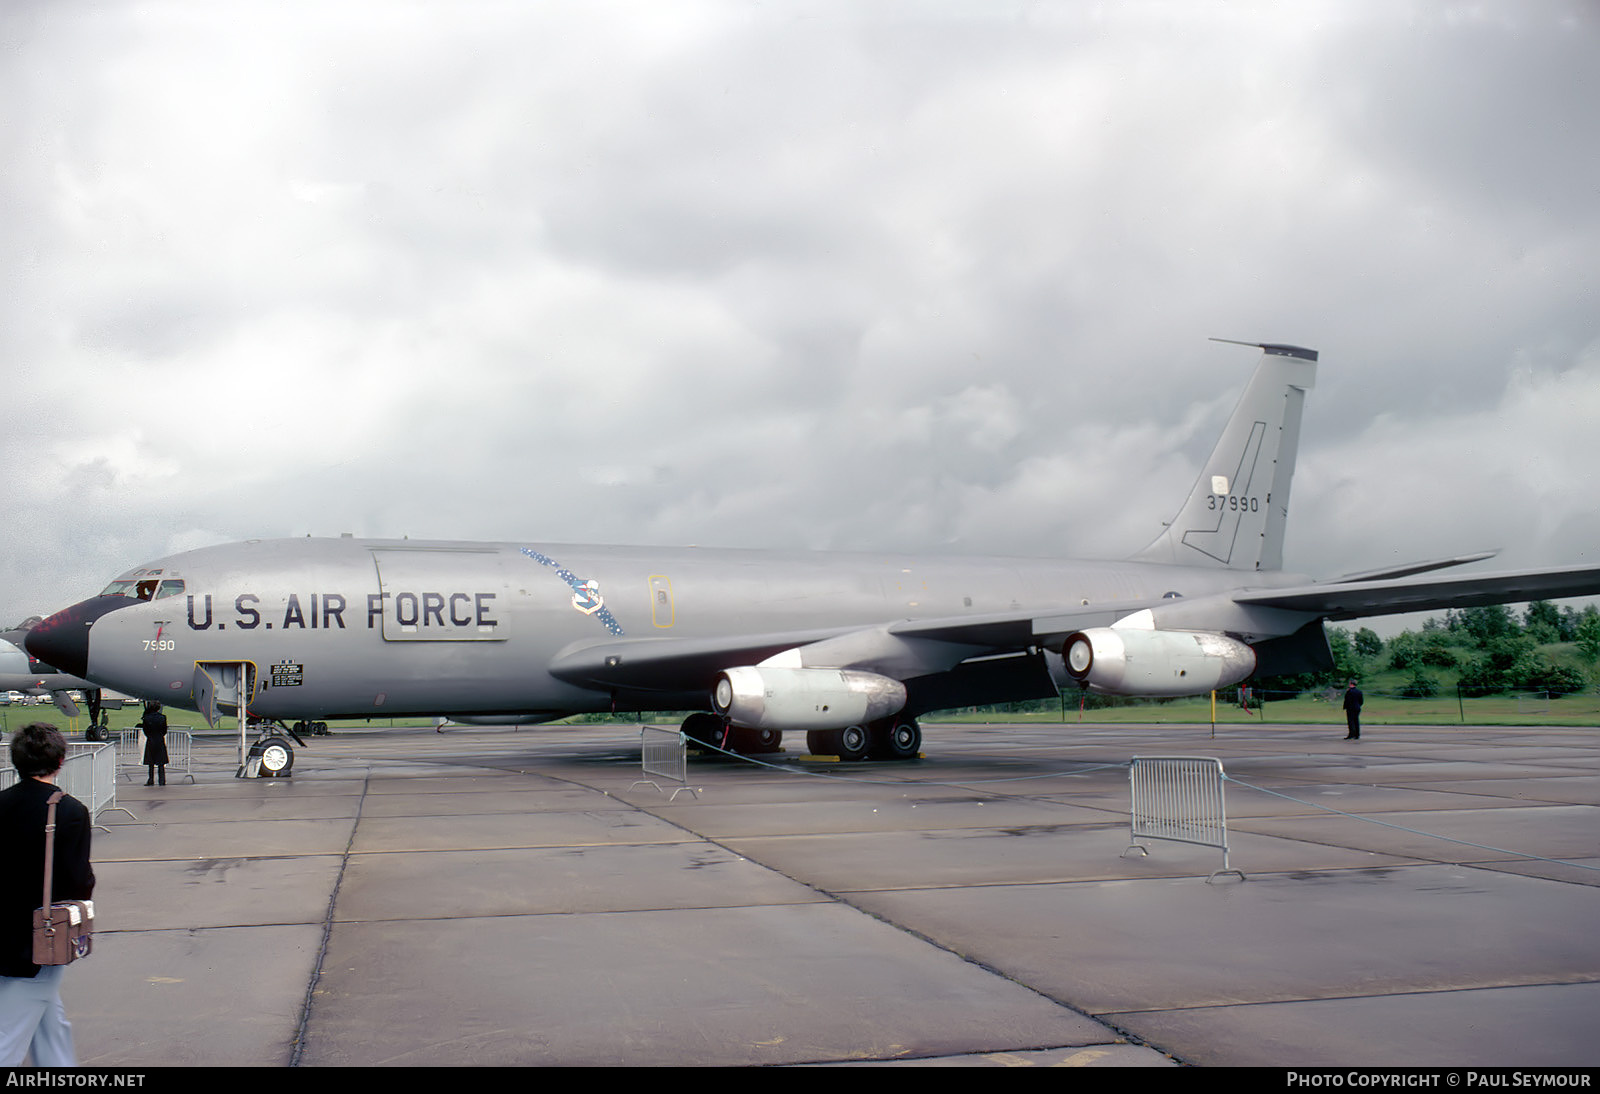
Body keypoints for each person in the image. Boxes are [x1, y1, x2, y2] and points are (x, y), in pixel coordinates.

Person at [0, 722, 96, 1066]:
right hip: (41, 936)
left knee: (49, 1024)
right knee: (8, 1035)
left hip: (3, 930)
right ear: (60, 761)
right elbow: (78, 880)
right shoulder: (69, 811)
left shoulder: (2, 803)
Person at [139, 700, 169, 786]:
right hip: (159, 740)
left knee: (151, 763)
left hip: (151, 740)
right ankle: (162, 780)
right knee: (161, 763)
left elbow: (145, 730)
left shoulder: (147, 718)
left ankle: (151, 780)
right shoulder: (162, 717)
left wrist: (150, 736)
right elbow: (164, 730)